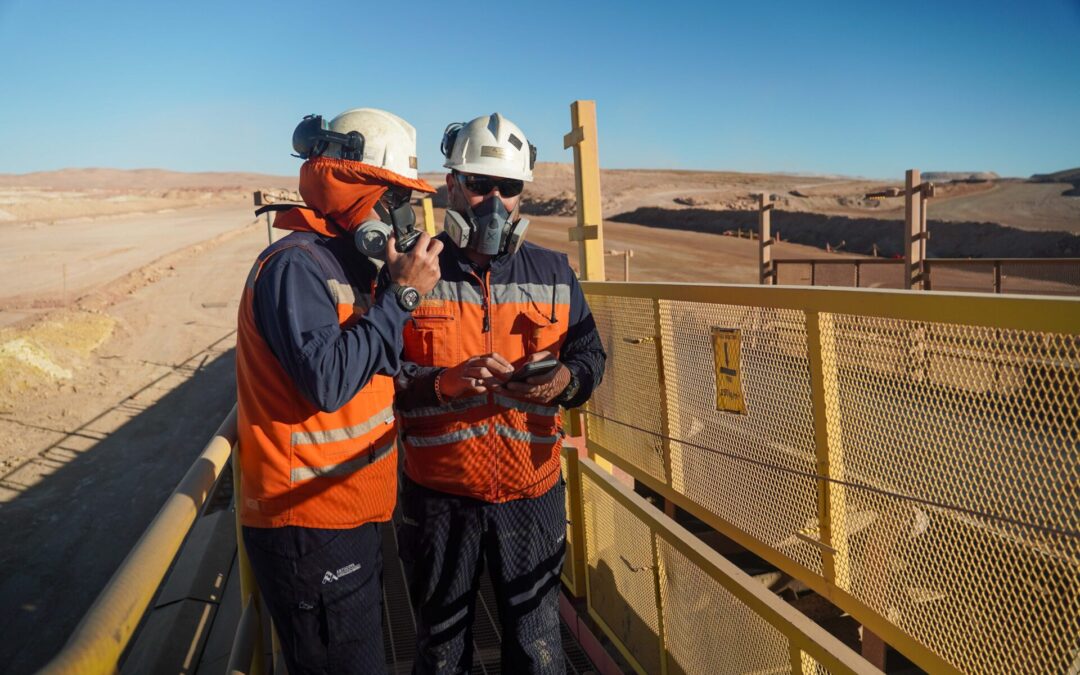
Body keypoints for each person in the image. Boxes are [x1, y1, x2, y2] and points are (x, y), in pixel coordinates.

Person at [394, 113, 606, 674]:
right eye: (479, 184)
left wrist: (565, 381)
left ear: (521, 195)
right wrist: (444, 382)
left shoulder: (555, 272)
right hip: (439, 500)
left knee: (538, 650)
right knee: (441, 653)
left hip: (530, 496)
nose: (493, 200)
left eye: (508, 187)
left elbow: (590, 357)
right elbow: (378, 379)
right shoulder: (415, 271)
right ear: (452, 186)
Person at [235, 108, 443, 674]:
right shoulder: (296, 266)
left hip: (348, 511)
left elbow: (372, 371)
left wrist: (444, 379)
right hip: (307, 524)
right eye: (395, 196)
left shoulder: (347, 265)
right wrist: (400, 299)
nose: (403, 217)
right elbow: (327, 380)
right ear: (356, 186)